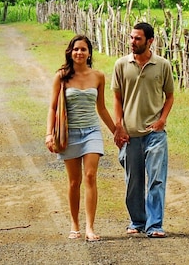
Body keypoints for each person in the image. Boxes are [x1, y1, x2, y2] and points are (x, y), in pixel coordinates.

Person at [45, 34, 118, 242]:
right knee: (74, 181)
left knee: (91, 176)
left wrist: (116, 132)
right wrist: (49, 134)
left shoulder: (98, 76)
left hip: (92, 132)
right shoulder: (62, 76)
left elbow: (101, 108)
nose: (79, 52)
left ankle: (90, 227)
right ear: (70, 52)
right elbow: (52, 108)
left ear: (89, 53)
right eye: (76, 49)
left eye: (83, 49)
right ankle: (75, 224)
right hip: (69, 134)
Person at [112, 22, 175, 238]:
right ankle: (138, 221)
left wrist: (162, 120)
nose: (132, 42)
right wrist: (118, 126)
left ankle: (155, 225)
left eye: (137, 38)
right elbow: (117, 98)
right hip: (130, 134)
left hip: (154, 134)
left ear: (150, 41)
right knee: (133, 181)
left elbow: (170, 96)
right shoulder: (121, 65)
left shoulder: (162, 65)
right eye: (131, 37)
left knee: (156, 178)